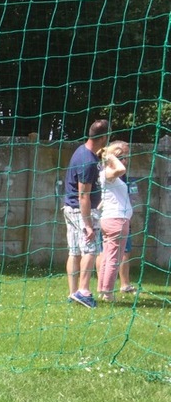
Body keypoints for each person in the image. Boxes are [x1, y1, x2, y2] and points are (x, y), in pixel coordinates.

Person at [62, 119, 108, 308]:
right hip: (81, 211)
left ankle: (73, 293)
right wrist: (88, 224)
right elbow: (83, 195)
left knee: (74, 251)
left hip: (70, 208)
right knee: (90, 250)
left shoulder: (83, 151)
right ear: (104, 137)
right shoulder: (87, 160)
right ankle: (83, 291)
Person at [95, 141, 133, 302]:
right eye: (122, 157)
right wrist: (111, 157)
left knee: (107, 256)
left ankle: (102, 290)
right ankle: (108, 293)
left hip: (112, 219)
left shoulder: (108, 175)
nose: (125, 161)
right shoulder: (109, 173)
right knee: (113, 258)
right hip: (117, 220)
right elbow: (121, 169)